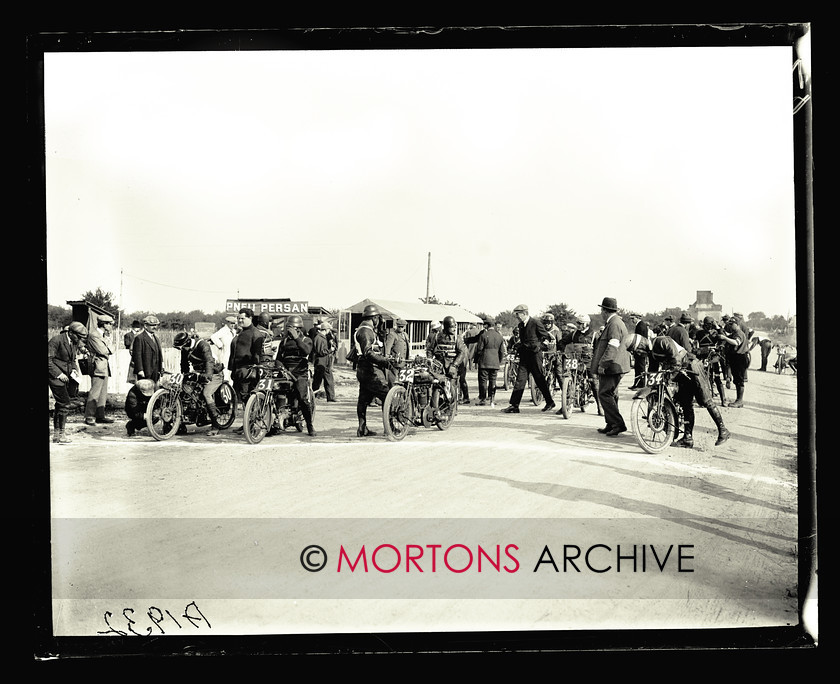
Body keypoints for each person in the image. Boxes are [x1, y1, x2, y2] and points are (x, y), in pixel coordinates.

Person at [624, 333, 730, 448]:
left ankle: (723, 430)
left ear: (641, 344)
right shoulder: (651, 353)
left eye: (636, 350)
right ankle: (687, 438)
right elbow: (653, 372)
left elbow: (677, 360)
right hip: (681, 372)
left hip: (692, 367)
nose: (638, 354)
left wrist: (668, 377)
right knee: (685, 403)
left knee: (706, 400)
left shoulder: (662, 341)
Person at [353, 304, 397, 437]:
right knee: (387, 396)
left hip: (363, 369)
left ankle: (362, 428)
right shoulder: (366, 331)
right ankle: (390, 428)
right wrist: (385, 361)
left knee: (363, 399)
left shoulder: (366, 329)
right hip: (371, 370)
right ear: (374, 318)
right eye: (378, 318)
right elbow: (368, 353)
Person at [502, 304, 555, 414]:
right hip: (524, 356)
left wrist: (539, 346)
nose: (516, 316)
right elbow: (523, 341)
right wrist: (518, 345)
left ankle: (550, 402)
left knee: (539, 379)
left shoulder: (535, 323)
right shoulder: (521, 325)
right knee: (520, 380)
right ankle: (514, 405)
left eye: (518, 314)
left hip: (535, 356)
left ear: (524, 313)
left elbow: (546, 337)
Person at [591, 297, 631, 436]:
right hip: (615, 365)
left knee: (604, 393)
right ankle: (610, 423)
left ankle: (618, 424)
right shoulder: (614, 322)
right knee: (610, 394)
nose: (601, 313)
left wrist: (603, 364)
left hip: (612, 365)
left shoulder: (614, 324)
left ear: (605, 311)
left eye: (602, 310)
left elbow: (613, 345)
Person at [174, 330, 226, 430]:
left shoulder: (203, 345)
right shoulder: (184, 349)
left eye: (182, 347)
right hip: (198, 372)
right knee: (185, 393)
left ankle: (215, 424)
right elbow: (184, 364)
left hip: (214, 373)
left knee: (206, 394)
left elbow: (209, 361)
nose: (182, 350)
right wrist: (185, 376)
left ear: (187, 343)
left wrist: (207, 375)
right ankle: (181, 423)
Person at [275, 314, 316, 436]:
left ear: (299, 328)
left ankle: (309, 425)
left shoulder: (306, 340)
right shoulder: (284, 342)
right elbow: (278, 358)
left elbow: (306, 351)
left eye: (293, 328)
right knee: (275, 391)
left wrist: (297, 338)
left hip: (300, 372)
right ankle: (276, 420)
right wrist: (280, 367)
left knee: (302, 397)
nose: (290, 331)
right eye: (288, 328)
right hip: (286, 371)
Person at [48, 321, 88, 444]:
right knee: (64, 403)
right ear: (71, 333)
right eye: (79, 337)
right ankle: (62, 434)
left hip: (67, 377)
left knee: (60, 405)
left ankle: (56, 435)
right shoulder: (56, 340)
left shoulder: (74, 342)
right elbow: (48, 361)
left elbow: (72, 360)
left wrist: (75, 371)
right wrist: (59, 374)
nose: (80, 340)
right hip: (55, 377)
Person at [558, 314, 602, 417]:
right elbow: (561, 342)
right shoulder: (573, 334)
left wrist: (596, 359)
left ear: (586, 324)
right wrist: (563, 350)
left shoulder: (594, 335)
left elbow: (599, 349)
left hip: (589, 362)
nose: (579, 325)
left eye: (581, 323)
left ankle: (600, 406)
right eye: (578, 323)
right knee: (568, 378)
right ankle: (566, 403)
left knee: (594, 382)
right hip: (575, 361)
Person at [427, 315, 468, 415]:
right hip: (439, 365)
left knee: (452, 387)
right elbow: (429, 349)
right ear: (446, 327)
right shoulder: (436, 337)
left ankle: (452, 409)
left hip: (452, 365)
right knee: (436, 385)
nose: (454, 329)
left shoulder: (457, 338)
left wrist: (454, 365)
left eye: (454, 327)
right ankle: (436, 407)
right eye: (451, 327)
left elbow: (462, 352)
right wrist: (429, 359)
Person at [228, 308, 268, 408]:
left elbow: (257, 355)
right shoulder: (241, 332)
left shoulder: (255, 333)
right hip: (238, 370)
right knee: (239, 397)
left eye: (242, 318)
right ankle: (247, 421)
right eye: (238, 318)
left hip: (247, 371)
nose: (240, 320)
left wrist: (254, 370)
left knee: (247, 397)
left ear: (250, 318)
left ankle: (250, 421)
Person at [84, 313, 116, 426]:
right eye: (110, 324)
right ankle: (89, 416)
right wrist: (108, 345)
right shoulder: (94, 335)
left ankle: (100, 416)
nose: (111, 326)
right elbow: (104, 351)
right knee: (95, 392)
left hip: (103, 366)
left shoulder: (103, 336)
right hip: (97, 366)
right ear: (104, 324)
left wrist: (108, 345)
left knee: (103, 392)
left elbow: (111, 350)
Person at [694, 316, 728, 406]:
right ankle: (702, 399)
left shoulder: (715, 332)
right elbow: (694, 341)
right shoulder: (699, 333)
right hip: (702, 356)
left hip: (713, 356)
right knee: (701, 377)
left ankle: (723, 399)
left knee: (717, 377)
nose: (708, 326)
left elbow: (723, 338)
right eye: (706, 325)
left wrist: (717, 327)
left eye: (710, 324)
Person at [474, 316, 506, 407]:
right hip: (495, 362)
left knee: (483, 381)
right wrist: (498, 361)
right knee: (493, 381)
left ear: (487, 325)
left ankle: (483, 399)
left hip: (484, 361)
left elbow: (479, 349)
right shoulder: (499, 336)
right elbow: (501, 351)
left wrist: (477, 360)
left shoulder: (484, 335)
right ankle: (492, 398)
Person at [719, 317, 750, 408]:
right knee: (737, 379)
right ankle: (738, 400)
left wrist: (724, 337)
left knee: (739, 380)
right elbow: (729, 336)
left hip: (740, 358)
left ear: (737, 324)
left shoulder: (739, 333)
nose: (730, 326)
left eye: (732, 324)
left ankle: (739, 401)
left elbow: (736, 342)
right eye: (729, 324)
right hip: (736, 358)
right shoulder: (735, 333)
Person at [131, 315, 164, 384]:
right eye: (152, 325)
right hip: (146, 371)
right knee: (144, 392)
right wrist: (140, 370)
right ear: (146, 326)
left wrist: (161, 367)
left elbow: (159, 354)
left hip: (156, 371)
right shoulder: (140, 338)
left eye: (156, 325)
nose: (155, 327)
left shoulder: (156, 338)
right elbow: (137, 355)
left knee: (154, 391)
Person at [311, 320, 337, 402]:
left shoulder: (322, 337)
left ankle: (331, 397)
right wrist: (330, 350)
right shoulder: (318, 338)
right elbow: (320, 351)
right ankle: (312, 397)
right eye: (329, 330)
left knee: (329, 380)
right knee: (317, 381)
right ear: (326, 329)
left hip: (325, 362)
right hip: (320, 362)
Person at [540, 313, 565, 392]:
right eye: (545, 323)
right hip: (543, 354)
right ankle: (537, 393)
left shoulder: (556, 330)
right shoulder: (540, 330)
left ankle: (566, 393)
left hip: (553, 355)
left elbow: (560, 342)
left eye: (549, 323)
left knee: (558, 373)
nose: (547, 324)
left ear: (552, 323)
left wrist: (560, 351)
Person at [210, 315, 238, 382]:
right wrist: (220, 345)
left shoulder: (234, 331)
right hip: (225, 353)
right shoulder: (223, 330)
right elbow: (213, 336)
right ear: (227, 323)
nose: (232, 325)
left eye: (234, 324)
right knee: (225, 371)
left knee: (231, 372)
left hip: (232, 353)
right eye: (231, 323)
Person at [628, 313, 649, 389]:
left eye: (633, 319)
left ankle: (641, 385)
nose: (632, 320)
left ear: (637, 318)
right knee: (637, 368)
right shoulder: (640, 325)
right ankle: (636, 384)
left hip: (641, 351)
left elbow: (639, 339)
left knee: (640, 368)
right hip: (639, 350)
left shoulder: (641, 325)